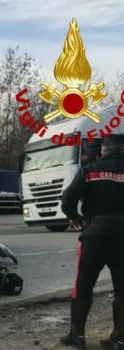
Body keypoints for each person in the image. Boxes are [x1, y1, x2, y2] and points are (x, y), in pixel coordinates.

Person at [60, 134, 124, 350]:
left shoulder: (90, 170)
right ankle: (119, 338)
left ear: (104, 150)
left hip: (94, 235)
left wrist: (75, 218)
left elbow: (68, 198)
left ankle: (77, 336)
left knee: (83, 286)